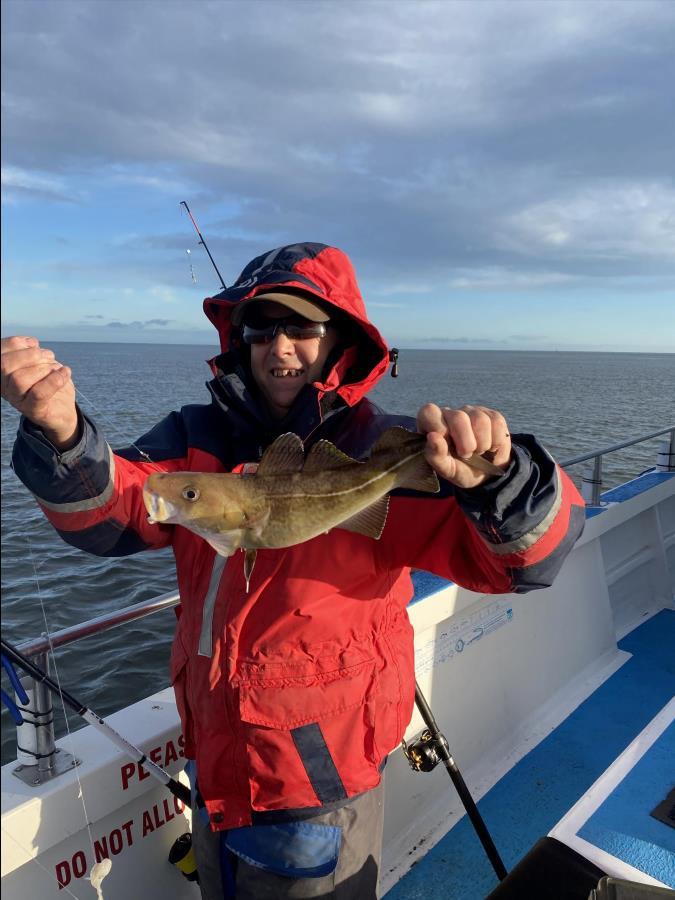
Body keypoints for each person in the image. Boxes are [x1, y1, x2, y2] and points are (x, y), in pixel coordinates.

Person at [1, 242, 585, 899]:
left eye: (302, 329)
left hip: (319, 776)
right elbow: (116, 510)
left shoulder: (388, 449)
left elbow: (525, 562)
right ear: (239, 339)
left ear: (340, 340)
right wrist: (62, 434)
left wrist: (506, 482)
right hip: (215, 760)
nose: (279, 348)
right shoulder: (195, 437)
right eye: (261, 329)